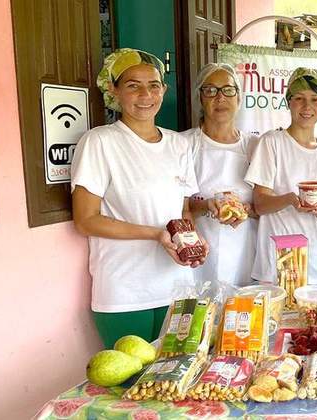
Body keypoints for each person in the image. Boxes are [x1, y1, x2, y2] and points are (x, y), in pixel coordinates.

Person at [71, 48, 207, 349]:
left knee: (173, 382)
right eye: (133, 85)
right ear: (114, 90)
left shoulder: (179, 145)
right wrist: (155, 235)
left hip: (177, 286)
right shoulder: (100, 142)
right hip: (124, 291)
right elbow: (86, 220)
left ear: (164, 89)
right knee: (129, 388)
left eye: (154, 85)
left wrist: (191, 237)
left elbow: (182, 207)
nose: (146, 94)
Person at [244, 67, 317, 284]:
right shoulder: (272, 142)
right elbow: (260, 204)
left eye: (315, 99)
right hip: (277, 257)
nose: (307, 107)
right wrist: (289, 199)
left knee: (315, 317)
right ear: (289, 102)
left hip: (314, 260)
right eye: (299, 98)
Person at [183, 63, 259, 288]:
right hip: (199, 248)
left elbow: (266, 204)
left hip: (246, 248)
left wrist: (245, 210)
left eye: (228, 90)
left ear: (238, 97)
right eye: (210, 90)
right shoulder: (184, 144)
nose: (220, 97)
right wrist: (208, 205)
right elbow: (173, 206)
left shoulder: (255, 146)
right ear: (200, 98)